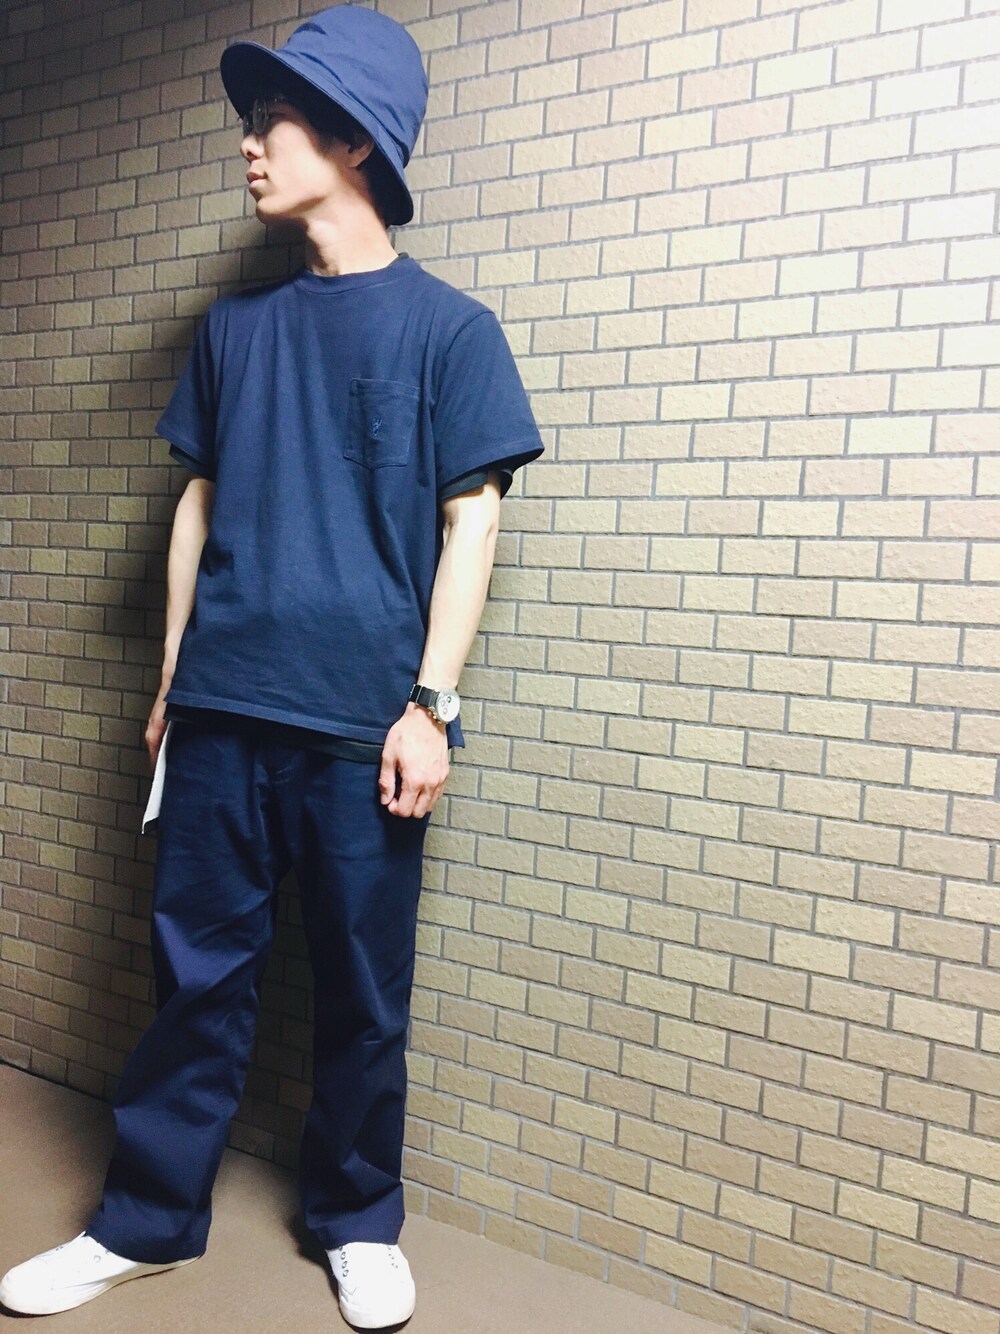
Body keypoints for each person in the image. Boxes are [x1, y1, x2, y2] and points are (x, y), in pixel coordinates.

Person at [0, 7, 544, 1328]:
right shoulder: (235, 334)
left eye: (276, 120)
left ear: (355, 141)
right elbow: (196, 506)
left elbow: (473, 522)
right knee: (192, 978)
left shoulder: (452, 332)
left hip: (365, 725)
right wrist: (170, 681)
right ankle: (141, 1219)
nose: (249, 145)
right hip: (221, 713)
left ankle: (357, 1220)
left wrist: (432, 706)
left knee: (361, 994)